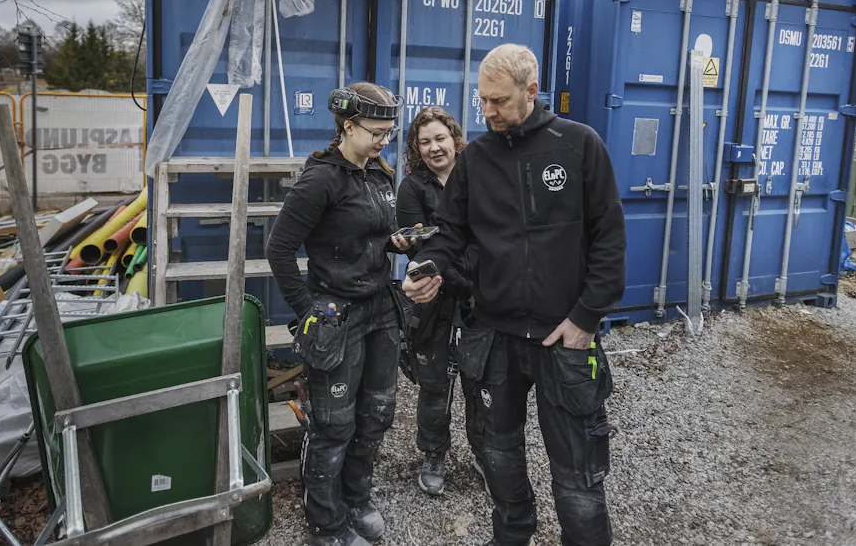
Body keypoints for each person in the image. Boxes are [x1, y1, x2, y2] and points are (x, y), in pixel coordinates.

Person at [402, 43, 626, 546]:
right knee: (499, 457)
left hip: (563, 337)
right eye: (482, 100)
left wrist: (586, 318)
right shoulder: (475, 159)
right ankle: (512, 536)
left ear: (531, 91)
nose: (488, 111)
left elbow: (610, 238)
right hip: (494, 337)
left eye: (499, 101)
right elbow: (449, 231)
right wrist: (426, 266)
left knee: (578, 476)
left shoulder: (579, 144)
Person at [267, 82, 416, 546]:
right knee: (334, 425)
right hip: (337, 316)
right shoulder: (320, 180)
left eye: (389, 133)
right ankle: (326, 523)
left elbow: (373, 234)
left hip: (380, 310)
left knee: (377, 414)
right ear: (348, 126)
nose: (383, 141)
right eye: (376, 132)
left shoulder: (379, 175)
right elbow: (279, 250)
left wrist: (397, 242)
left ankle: (356, 498)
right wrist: (308, 311)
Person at [395, 106, 475, 496]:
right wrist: (466, 289)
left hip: (482, 297)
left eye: (440, 138)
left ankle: (487, 453)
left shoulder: (477, 176)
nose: (434, 147)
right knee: (435, 383)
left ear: (454, 139)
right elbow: (422, 251)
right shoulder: (412, 187)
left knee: (483, 380)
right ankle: (434, 454)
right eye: (424, 142)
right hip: (436, 298)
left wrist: (482, 290)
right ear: (417, 148)